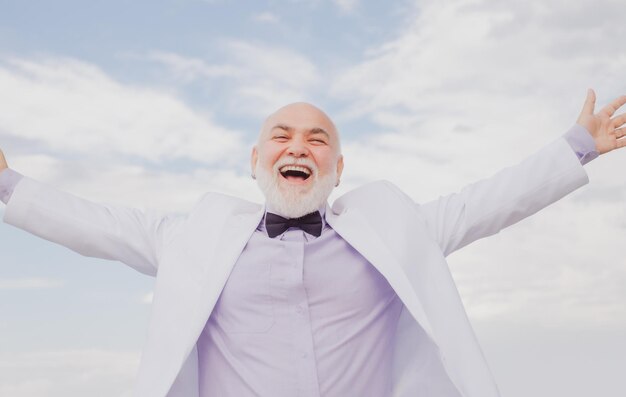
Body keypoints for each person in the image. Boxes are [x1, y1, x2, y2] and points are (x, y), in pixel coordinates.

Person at [0, 90, 625, 397]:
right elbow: (94, 224)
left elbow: (488, 203)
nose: (299, 146)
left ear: (338, 167)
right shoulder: (192, 238)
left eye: (317, 138)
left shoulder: (395, 228)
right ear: (255, 159)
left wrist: (579, 146)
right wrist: (7, 186)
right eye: (282, 135)